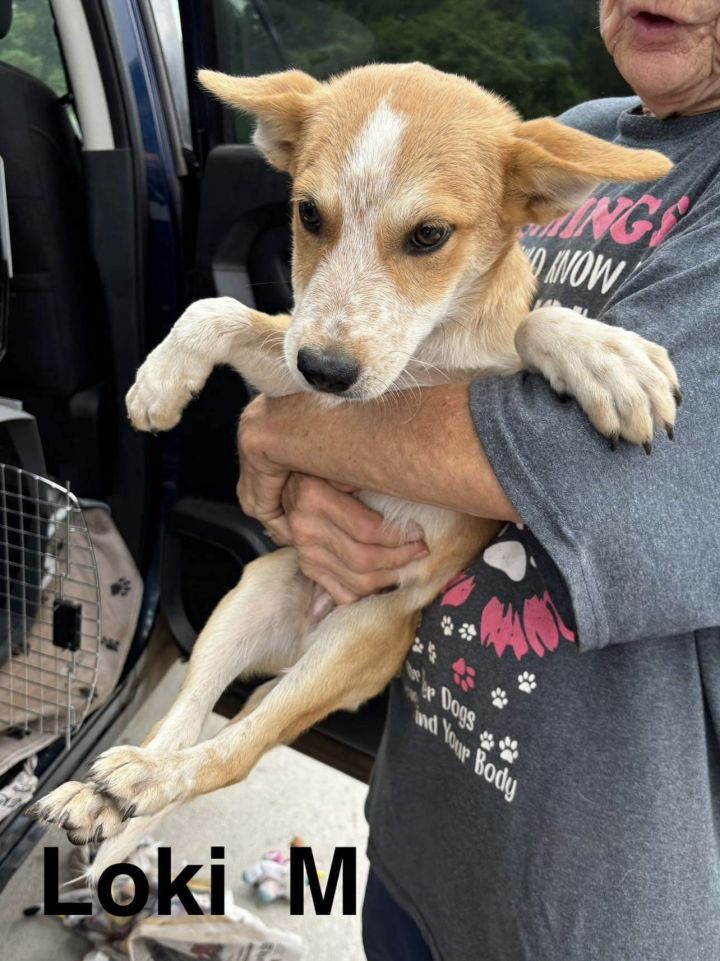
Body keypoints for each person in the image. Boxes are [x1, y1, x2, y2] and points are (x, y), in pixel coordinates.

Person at [236, 2, 720, 958]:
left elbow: (591, 470)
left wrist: (278, 426)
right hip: (426, 825)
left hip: (603, 903)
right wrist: (299, 487)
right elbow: (423, 375)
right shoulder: (563, 144)